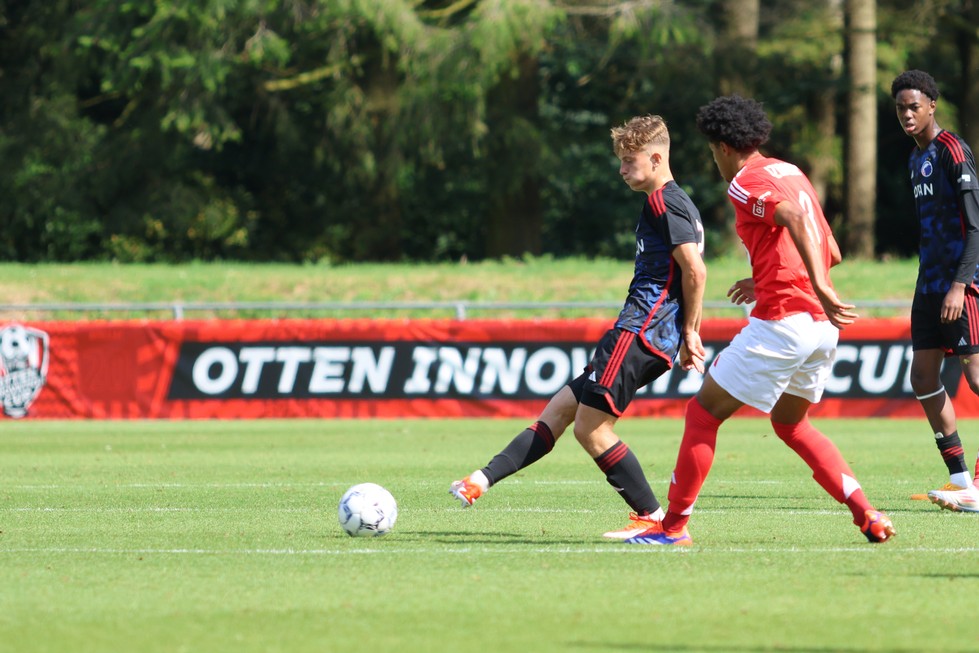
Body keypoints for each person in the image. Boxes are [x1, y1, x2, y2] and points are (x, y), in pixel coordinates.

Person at [626, 95, 895, 546]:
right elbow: (832, 250)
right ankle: (866, 514)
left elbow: (789, 218)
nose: (715, 161)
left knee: (703, 413)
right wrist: (772, 277)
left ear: (724, 147)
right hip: (820, 329)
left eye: (712, 151)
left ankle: (672, 529)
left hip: (784, 323)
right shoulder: (792, 172)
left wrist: (815, 286)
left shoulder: (742, 182)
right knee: (792, 424)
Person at [449, 114, 707, 539]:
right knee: (560, 410)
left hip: (639, 331)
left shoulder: (665, 201)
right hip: (644, 332)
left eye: (629, 161)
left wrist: (691, 332)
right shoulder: (672, 202)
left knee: (591, 429)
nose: (622, 170)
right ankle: (480, 480)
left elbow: (695, 271)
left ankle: (655, 520)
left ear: (656, 158)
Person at [891, 70, 979, 513]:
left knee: (978, 379)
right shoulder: (914, 159)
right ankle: (962, 481)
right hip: (928, 285)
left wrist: (960, 285)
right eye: (900, 108)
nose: (906, 114)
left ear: (931, 106)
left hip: (961, 286)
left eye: (913, 106)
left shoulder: (952, 151)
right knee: (923, 377)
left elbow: (976, 226)